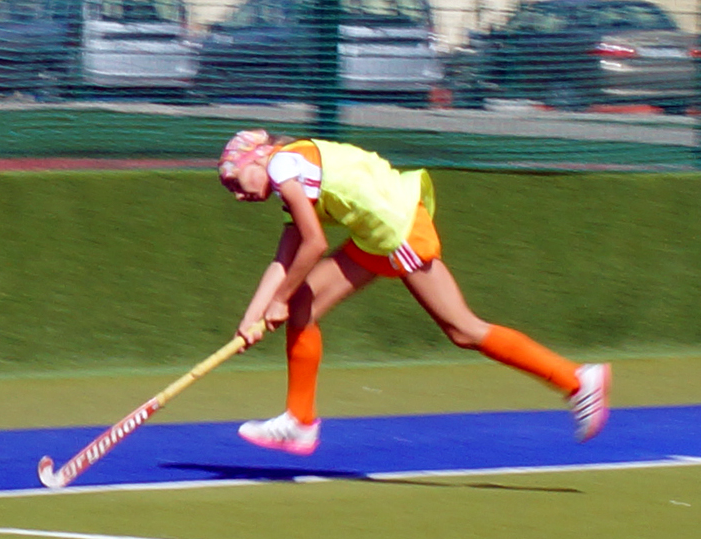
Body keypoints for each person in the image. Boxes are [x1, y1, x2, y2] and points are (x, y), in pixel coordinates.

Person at [217, 129, 610, 455]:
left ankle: (577, 380)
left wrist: (279, 300)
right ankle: (300, 421)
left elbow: (314, 243)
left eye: (235, 180)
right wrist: (250, 319)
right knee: (304, 302)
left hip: (397, 230)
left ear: (257, 157)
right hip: (375, 235)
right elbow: (284, 258)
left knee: (462, 329)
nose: (236, 194)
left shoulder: (283, 165)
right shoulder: (290, 171)